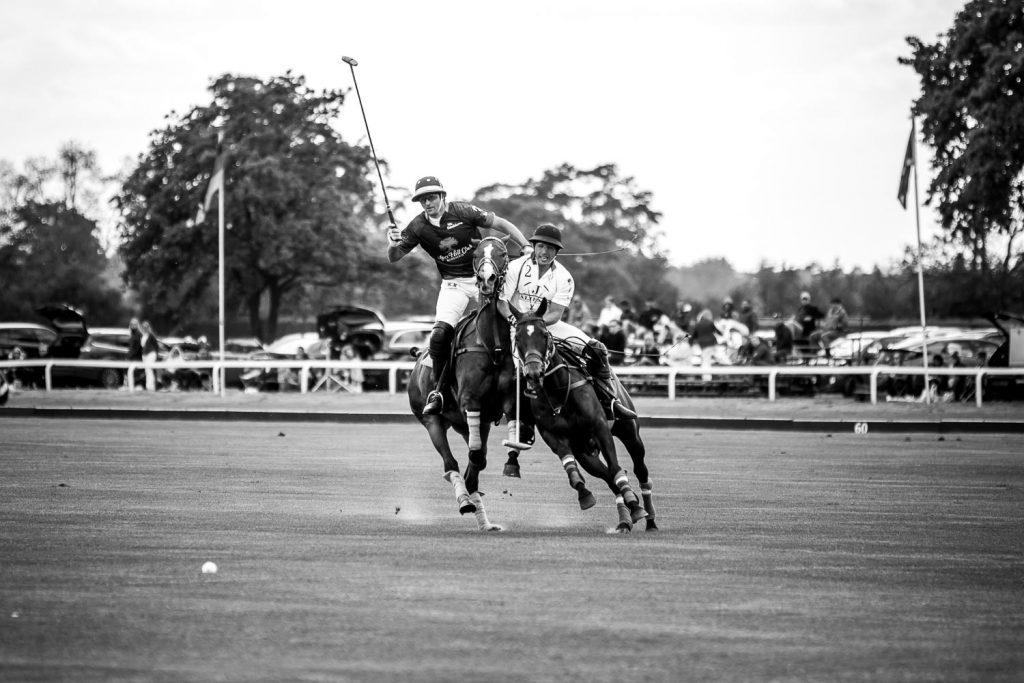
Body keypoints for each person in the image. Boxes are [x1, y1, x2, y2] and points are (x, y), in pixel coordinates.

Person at [387, 175, 529, 414]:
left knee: (516, 325)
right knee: (440, 335)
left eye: (431, 197)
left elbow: (500, 223)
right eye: (423, 200)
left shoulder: (463, 211)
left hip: (483, 279)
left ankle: (527, 382)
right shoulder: (417, 226)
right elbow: (394, 257)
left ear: (442, 196)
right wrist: (391, 243)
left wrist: (524, 244)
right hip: (453, 285)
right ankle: (438, 391)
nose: (427, 203)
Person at [498, 224, 636, 419]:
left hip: (547, 326)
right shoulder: (516, 267)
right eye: (541, 246)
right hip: (515, 327)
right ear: (534, 246)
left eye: (550, 248)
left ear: (557, 251)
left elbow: (555, 313)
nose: (544, 252)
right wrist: (517, 322)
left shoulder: (564, 277)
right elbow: (501, 302)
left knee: (597, 348)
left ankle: (610, 400)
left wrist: (535, 325)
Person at [692, 308, 721, 381]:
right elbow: (717, 331)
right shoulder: (710, 322)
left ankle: (706, 379)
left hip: (705, 345)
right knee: (719, 358)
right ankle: (730, 370)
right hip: (713, 343)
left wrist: (690, 342)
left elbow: (694, 336)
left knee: (705, 362)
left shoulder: (698, 324)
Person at [140, 321, 160, 391]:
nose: (145, 328)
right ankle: (148, 386)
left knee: (149, 370)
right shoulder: (143, 336)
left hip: (151, 354)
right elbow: (142, 346)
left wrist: (156, 355)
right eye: (143, 327)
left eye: (146, 327)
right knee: (147, 371)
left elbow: (156, 346)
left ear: (148, 327)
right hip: (145, 355)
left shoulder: (151, 335)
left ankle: (150, 387)